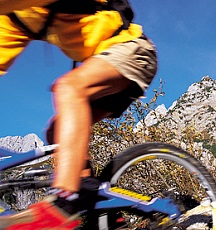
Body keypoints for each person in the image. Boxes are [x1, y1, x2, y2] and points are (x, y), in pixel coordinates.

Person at [0, 0, 157, 228]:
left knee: (68, 88)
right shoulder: (14, 19)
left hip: (133, 50)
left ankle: (64, 202)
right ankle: (99, 207)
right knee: (56, 132)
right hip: (106, 65)